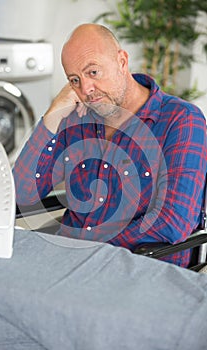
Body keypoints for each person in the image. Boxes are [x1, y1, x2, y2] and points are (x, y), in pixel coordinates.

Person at [13, 23, 207, 267]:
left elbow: (172, 222)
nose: (86, 90)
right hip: (69, 263)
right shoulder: (76, 118)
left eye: (93, 72)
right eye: (74, 80)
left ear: (122, 61)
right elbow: (20, 195)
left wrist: (88, 249)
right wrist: (51, 119)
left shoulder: (181, 120)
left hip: (136, 271)